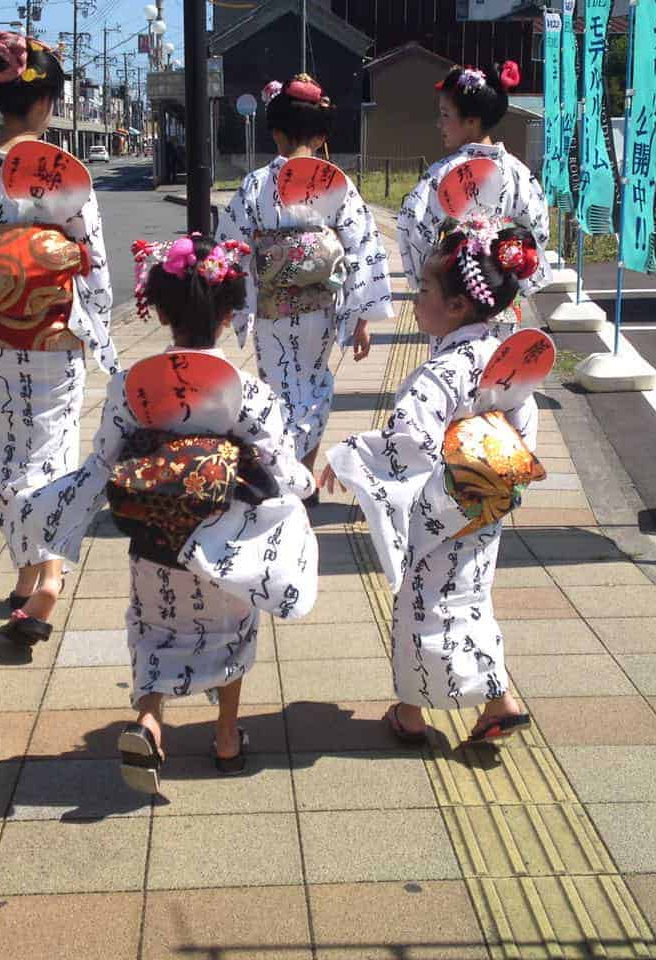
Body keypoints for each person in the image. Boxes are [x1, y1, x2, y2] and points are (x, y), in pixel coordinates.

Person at [50, 235, 317, 794]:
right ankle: (225, 738)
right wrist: (303, 485)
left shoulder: (132, 385)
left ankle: (149, 721)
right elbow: (281, 467)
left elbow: (103, 456)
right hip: (228, 537)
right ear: (228, 313)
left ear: (161, 309)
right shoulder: (249, 390)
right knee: (233, 629)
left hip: (155, 534)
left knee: (153, 628)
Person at [322, 220, 542, 745]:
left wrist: (353, 454)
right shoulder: (505, 359)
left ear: (458, 306)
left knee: (423, 606)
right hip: (487, 507)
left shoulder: (442, 372)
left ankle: (413, 714)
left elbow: (412, 444)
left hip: (441, 510)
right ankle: (498, 699)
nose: (416, 299)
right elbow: (524, 432)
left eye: (423, 290)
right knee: (471, 600)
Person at [0, 31, 117, 645]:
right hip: (57, 332)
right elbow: (91, 260)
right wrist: (99, 325)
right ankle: (47, 574)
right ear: (46, 105)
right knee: (55, 450)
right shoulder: (66, 175)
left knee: (8, 452)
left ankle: (31, 571)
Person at [217, 74, 394, 493]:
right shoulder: (337, 184)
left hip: (272, 311)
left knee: (276, 388)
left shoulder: (256, 184)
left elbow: (231, 246)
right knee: (314, 384)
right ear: (319, 135)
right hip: (321, 309)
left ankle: (283, 476)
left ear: (275, 131)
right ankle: (305, 478)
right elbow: (360, 245)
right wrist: (361, 317)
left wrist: (232, 303)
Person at [397, 61, 551, 337]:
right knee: (497, 375)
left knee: (453, 375)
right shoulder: (518, 172)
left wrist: (428, 282)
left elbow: (413, 228)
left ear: (471, 121)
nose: (439, 124)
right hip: (501, 301)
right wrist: (517, 277)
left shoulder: (441, 174)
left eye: (445, 115)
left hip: (452, 305)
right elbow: (537, 230)